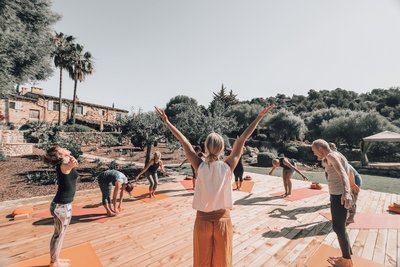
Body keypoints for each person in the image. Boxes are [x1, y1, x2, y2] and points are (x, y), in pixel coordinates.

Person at [155, 105, 274, 267]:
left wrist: (167, 122)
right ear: (222, 148)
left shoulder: (199, 165)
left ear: (205, 147)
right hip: (222, 221)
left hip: (202, 221)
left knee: (201, 263)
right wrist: (259, 117)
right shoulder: (228, 166)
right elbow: (242, 139)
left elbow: (183, 141)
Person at [312, 139, 360, 267]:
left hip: (339, 195)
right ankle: (347, 256)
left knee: (338, 227)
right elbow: (348, 170)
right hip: (339, 194)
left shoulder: (330, 155)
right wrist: (352, 184)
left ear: (321, 149)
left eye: (314, 151)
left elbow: (343, 172)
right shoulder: (337, 154)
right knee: (341, 227)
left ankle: (346, 261)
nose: (314, 154)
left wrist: (346, 192)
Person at [44, 146, 79, 267]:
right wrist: (71, 159)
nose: (65, 147)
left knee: (60, 234)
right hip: (61, 206)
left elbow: (74, 165)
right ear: (59, 155)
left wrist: (69, 157)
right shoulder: (64, 166)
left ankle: (56, 259)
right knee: (58, 235)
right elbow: (72, 164)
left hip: (64, 205)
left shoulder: (65, 164)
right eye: (62, 148)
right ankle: (53, 262)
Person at [328, 143, 362, 225]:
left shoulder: (336, 157)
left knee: (352, 199)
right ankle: (346, 215)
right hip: (348, 179)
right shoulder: (330, 158)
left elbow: (349, 171)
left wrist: (353, 185)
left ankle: (351, 217)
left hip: (354, 179)